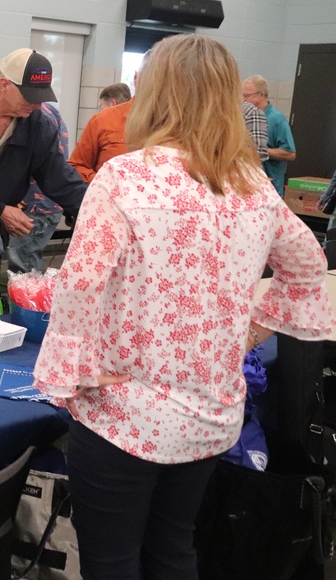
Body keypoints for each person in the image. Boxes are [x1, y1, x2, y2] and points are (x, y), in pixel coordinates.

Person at [33, 34, 334, 580]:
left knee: (112, 561)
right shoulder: (252, 184)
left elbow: (78, 286)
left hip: (124, 412)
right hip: (210, 413)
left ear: (154, 93)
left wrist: (69, 374)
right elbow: (309, 269)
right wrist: (246, 335)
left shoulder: (126, 176)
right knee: (174, 551)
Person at [0, 49, 85, 250]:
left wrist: (97, 207)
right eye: (30, 97)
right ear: (4, 85)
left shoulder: (39, 126)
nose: (37, 105)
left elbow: (59, 178)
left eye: (42, 97)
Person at [4, 103, 72, 272]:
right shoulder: (48, 110)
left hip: (35, 204)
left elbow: (37, 164)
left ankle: (27, 300)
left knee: (24, 269)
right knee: (24, 264)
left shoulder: (35, 117)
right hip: (41, 202)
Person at [242, 74, 295, 195]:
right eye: (243, 96)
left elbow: (290, 153)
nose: (244, 100)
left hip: (270, 188)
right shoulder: (245, 117)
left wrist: (260, 151)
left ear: (262, 95)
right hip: (250, 186)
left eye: (247, 96)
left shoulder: (277, 119)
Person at [242, 100, 268, 164]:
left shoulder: (251, 111)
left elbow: (258, 152)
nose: (246, 98)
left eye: (247, 95)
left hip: (239, 169)